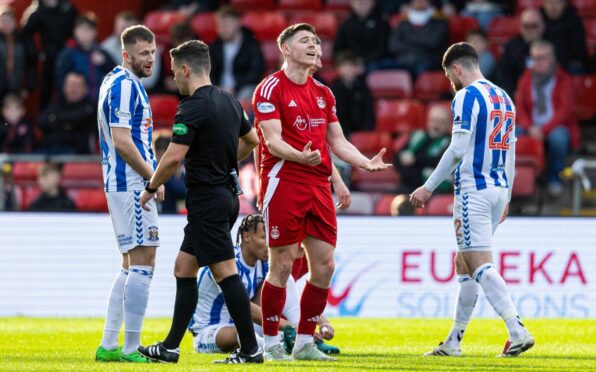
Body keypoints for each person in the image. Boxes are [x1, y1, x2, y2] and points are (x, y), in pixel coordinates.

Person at [253, 23, 390, 362]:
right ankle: (271, 343)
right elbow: (271, 140)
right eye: (305, 41)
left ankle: (303, 344)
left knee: (325, 266)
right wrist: (300, 156)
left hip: (317, 185)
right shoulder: (270, 88)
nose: (314, 46)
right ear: (285, 48)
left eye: (316, 41)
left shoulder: (323, 93)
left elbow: (337, 140)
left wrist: (363, 163)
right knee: (282, 264)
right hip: (283, 182)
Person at [137, 40, 263, 365]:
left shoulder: (192, 106)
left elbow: (173, 156)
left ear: (186, 69)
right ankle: (170, 347)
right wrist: (224, 162)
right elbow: (251, 140)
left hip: (208, 200)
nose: (174, 79)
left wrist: (152, 186)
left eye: (174, 72)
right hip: (223, 196)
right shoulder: (230, 101)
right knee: (184, 267)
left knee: (224, 271)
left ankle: (251, 350)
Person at [410, 42, 534, 357]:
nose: (451, 83)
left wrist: (428, 186)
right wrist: (506, 195)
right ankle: (453, 341)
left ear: (456, 69)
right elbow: (511, 151)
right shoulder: (504, 97)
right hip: (497, 190)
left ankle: (516, 329)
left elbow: (457, 148)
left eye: (449, 76)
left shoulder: (466, 96)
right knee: (464, 261)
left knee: (478, 263)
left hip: (472, 190)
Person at [95, 25, 161, 364]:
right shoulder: (123, 86)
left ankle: (109, 345)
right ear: (127, 55)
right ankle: (131, 347)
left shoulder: (118, 82)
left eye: (152, 52)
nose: (151, 59)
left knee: (129, 264)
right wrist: (154, 177)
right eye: (143, 54)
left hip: (126, 183)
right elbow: (122, 141)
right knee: (144, 262)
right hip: (132, 184)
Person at [189, 213, 339, 355]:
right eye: (263, 237)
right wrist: (287, 326)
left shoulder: (263, 262)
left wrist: (320, 321)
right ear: (246, 236)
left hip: (245, 323)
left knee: (282, 279)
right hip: (212, 330)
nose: (269, 243)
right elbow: (243, 306)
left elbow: (289, 296)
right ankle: (277, 345)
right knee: (241, 333)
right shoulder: (227, 262)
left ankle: (305, 339)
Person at [514, 40, 580, 197]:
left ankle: (554, 179)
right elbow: (519, 106)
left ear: (552, 59)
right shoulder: (525, 78)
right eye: (534, 58)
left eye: (542, 58)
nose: (537, 62)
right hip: (531, 125)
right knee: (511, 134)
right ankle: (517, 180)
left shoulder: (564, 79)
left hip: (556, 125)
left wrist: (543, 130)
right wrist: (529, 127)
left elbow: (565, 111)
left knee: (559, 138)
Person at [21, 0, 78, 109]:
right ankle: (44, 121)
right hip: (47, 59)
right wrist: (36, 52)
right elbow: (26, 34)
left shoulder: (68, 9)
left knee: (67, 90)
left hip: (67, 57)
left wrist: (72, 48)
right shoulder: (36, 11)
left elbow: (77, 29)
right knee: (45, 91)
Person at [55, 12, 116, 102]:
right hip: (75, 102)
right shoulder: (68, 54)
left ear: (95, 32)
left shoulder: (101, 52)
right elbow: (60, 80)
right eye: (81, 29)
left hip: (98, 102)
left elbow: (116, 74)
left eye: (89, 30)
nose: (84, 33)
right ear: (75, 31)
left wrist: (105, 62)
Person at [209, 6, 264, 100]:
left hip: (242, 89)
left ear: (238, 23)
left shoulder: (251, 44)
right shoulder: (215, 46)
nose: (222, 30)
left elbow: (255, 73)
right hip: (219, 89)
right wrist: (218, 88)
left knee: (247, 93)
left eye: (226, 25)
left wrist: (234, 88)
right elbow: (209, 72)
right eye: (220, 26)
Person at [394, 105, 451, 194]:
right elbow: (398, 157)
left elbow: (439, 162)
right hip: (408, 185)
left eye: (441, 122)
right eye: (433, 120)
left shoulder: (450, 142)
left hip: (434, 189)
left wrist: (415, 160)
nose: (436, 125)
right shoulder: (417, 135)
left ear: (448, 125)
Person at [36, 72, 96, 154]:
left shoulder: (90, 106)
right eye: (71, 85)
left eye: (77, 86)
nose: (74, 90)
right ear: (64, 87)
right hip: (50, 149)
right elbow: (41, 121)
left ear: (85, 89)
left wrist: (56, 118)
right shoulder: (56, 103)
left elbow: (78, 118)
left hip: (77, 153)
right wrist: (69, 123)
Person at [101, 12, 161, 92]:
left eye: (127, 29)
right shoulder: (106, 47)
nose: (123, 32)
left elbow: (149, 81)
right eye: (121, 28)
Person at [387, 0, 449, 77]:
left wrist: (408, 42)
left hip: (428, 62)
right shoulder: (403, 22)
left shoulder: (439, 21)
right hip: (403, 61)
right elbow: (394, 45)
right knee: (379, 67)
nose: (419, 2)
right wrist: (418, 45)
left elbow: (432, 43)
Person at [495, 8, 545, 96]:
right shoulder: (511, 46)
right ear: (521, 28)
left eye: (534, 26)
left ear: (542, 26)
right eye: (526, 26)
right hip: (517, 95)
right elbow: (503, 74)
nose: (530, 30)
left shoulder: (552, 45)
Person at [333, 0, 391, 69]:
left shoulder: (382, 24)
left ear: (373, 3)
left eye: (365, 2)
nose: (362, 5)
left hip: (377, 63)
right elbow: (338, 50)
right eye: (359, 2)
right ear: (352, 3)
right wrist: (351, 62)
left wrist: (365, 61)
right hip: (352, 64)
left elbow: (383, 49)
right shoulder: (345, 26)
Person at [330, 51, 375, 139]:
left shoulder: (363, 88)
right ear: (338, 69)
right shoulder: (333, 90)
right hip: (342, 135)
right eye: (345, 66)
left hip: (363, 132)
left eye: (351, 66)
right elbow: (334, 117)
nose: (349, 69)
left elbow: (369, 113)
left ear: (356, 68)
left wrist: (365, 133)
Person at [541, 0, 588, 73]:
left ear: (564, 4)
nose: (553, 7)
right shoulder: (538, 20)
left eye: (557, 2)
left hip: (568, 64)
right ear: (543, 4)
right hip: (542, 62)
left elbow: (579, 52)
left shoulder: (575, 21)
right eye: (549, 3)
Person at [0, 5, 36, 100]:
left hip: (16, 86)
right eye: (3, 20)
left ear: (15, 22)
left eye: (9, 20)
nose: (6, 23)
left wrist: (29, 86)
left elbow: (30, 63)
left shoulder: (23, 40)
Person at [153, 133, 186, 213]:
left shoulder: (180, 166)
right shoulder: (150, 168)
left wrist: (172, 174)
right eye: (159, 156)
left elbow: (182, 192)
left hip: (171, 217)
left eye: (164, 157)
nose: (161, 161)